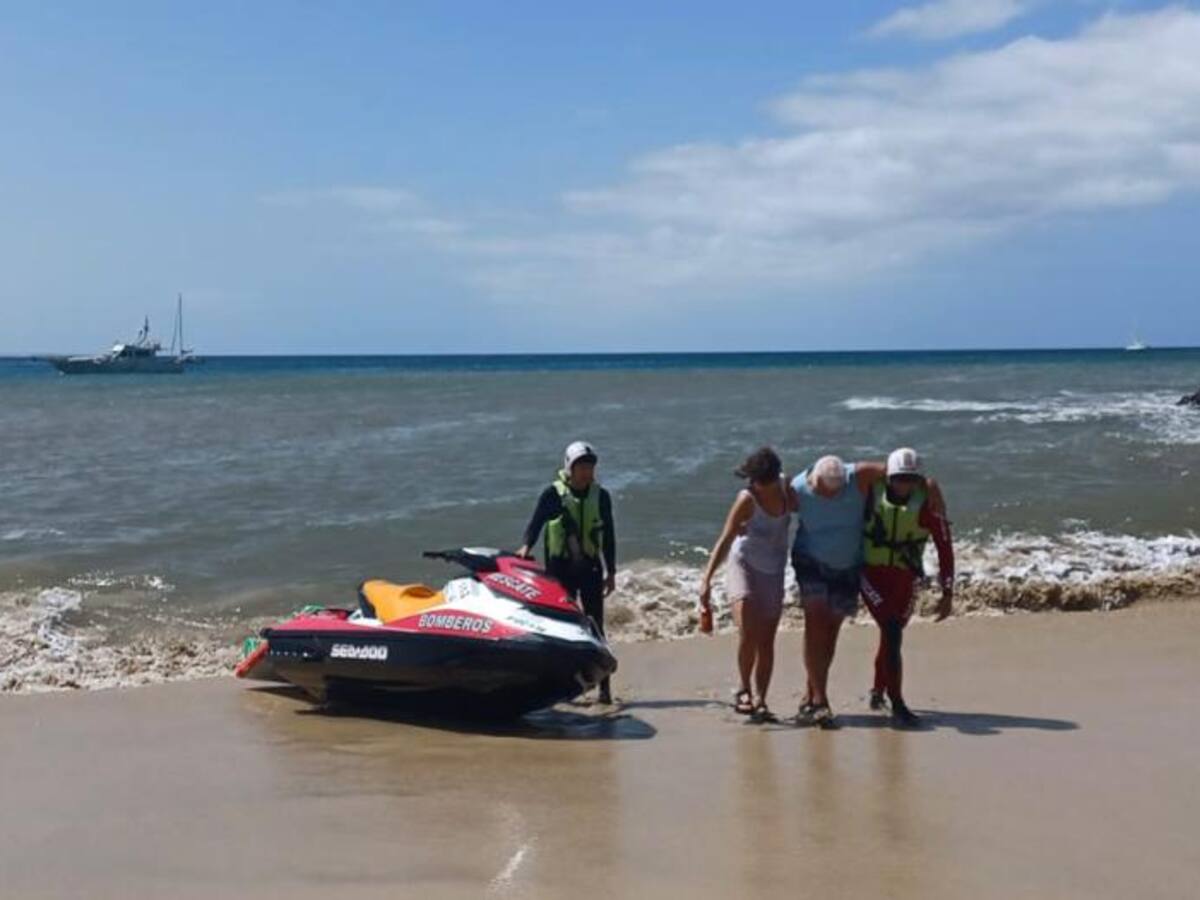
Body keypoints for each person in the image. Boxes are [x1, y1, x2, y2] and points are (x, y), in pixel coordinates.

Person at [790, 455, 945, 727]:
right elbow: (770, 505)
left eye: (838, 491)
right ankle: (820, 701)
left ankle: (811, 692)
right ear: (814, 482)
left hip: (848, 566)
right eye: (826, 492)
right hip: (810, 562)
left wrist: (931, 486)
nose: (833, 497)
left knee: (830, 633)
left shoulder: (858, 476)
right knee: (815, 624)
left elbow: (900, 471)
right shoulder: (798, 489)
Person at [699, 448, 796, 723]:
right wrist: (706, 580)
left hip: (774, 571)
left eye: (758, 481)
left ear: (774, 478)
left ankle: (761, 699)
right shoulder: (747, 499)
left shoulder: (789, 490)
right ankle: (743, 688)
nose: (753, 485)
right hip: (744, 565)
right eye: (751, 480)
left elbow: (815, 500)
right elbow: (726, 538)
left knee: (767, 641)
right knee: (749, 632)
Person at [517, 441, 617, 704]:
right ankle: (564, 687)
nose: (586, 472)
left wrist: (611, 571)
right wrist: (526, 546)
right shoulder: (553, 494)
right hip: (560, 572)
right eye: (580, 467)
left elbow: (609, 537)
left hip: (591, 569)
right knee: (563, 628)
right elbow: (536, 524)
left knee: (595, 626)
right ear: (568, 468)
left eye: (590, 466)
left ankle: (605, 688)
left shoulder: (601, 496)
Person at [860, 447, 954, 727]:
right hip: (869, 574)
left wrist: (947, 592)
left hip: (906, 577)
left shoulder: (928, 504)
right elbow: (844, 476)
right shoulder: (869, 493)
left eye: (911, 479)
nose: (904, 485)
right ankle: (897, 702)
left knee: (892, 634)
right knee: (890, 630)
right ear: (888, 476)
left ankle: (878, 690)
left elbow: (945, 548)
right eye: (898, 478)